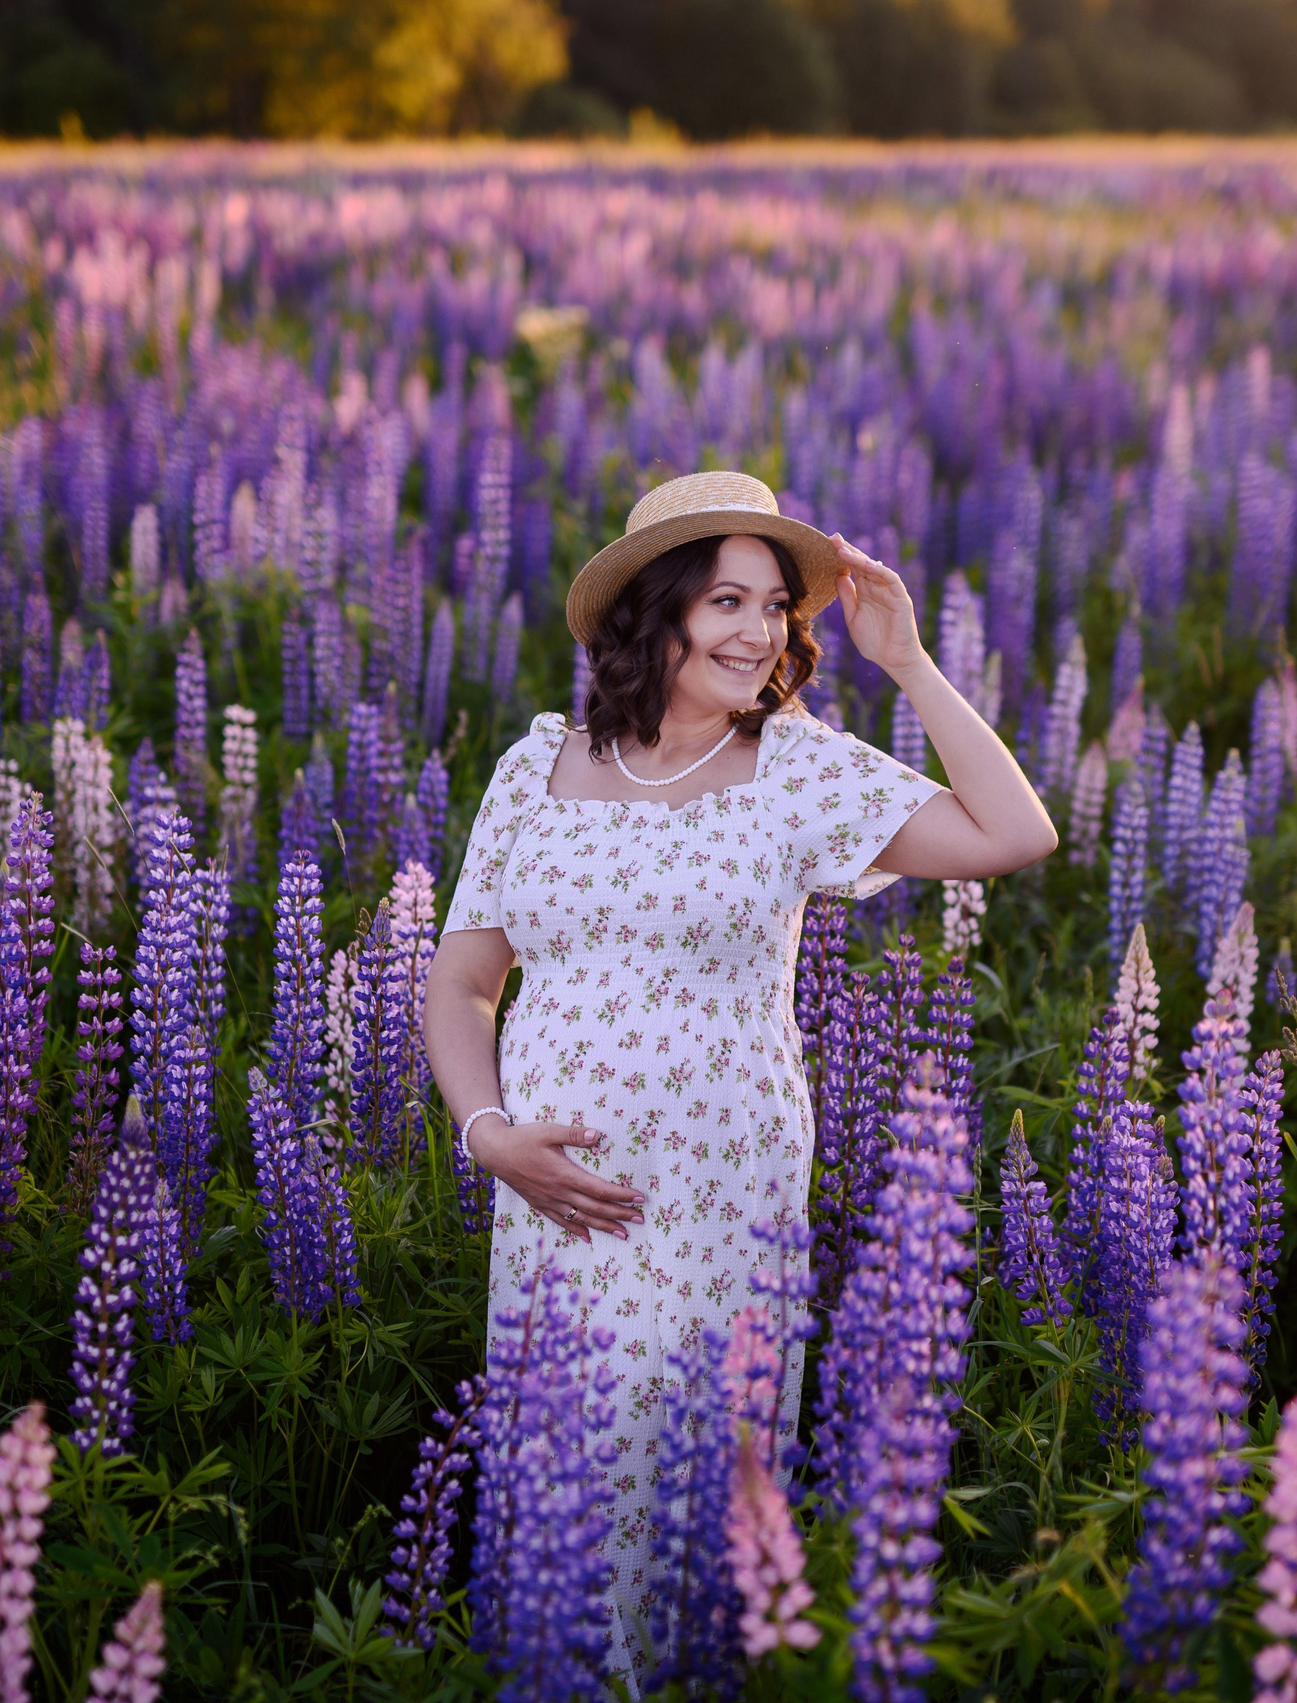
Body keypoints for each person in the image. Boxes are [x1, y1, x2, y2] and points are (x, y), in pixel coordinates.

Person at [421, 469, 1054, 1667]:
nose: (758, 631)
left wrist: (910, 664)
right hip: (552, 1201)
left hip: (718, 1204)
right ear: (652, 613)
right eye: (725, 599)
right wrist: (487, 1132)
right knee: (565, 1499)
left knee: (695, 1495)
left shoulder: (796, 769)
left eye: (774, 607)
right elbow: (460, 984)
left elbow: (1014, 835)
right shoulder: (534, 766)